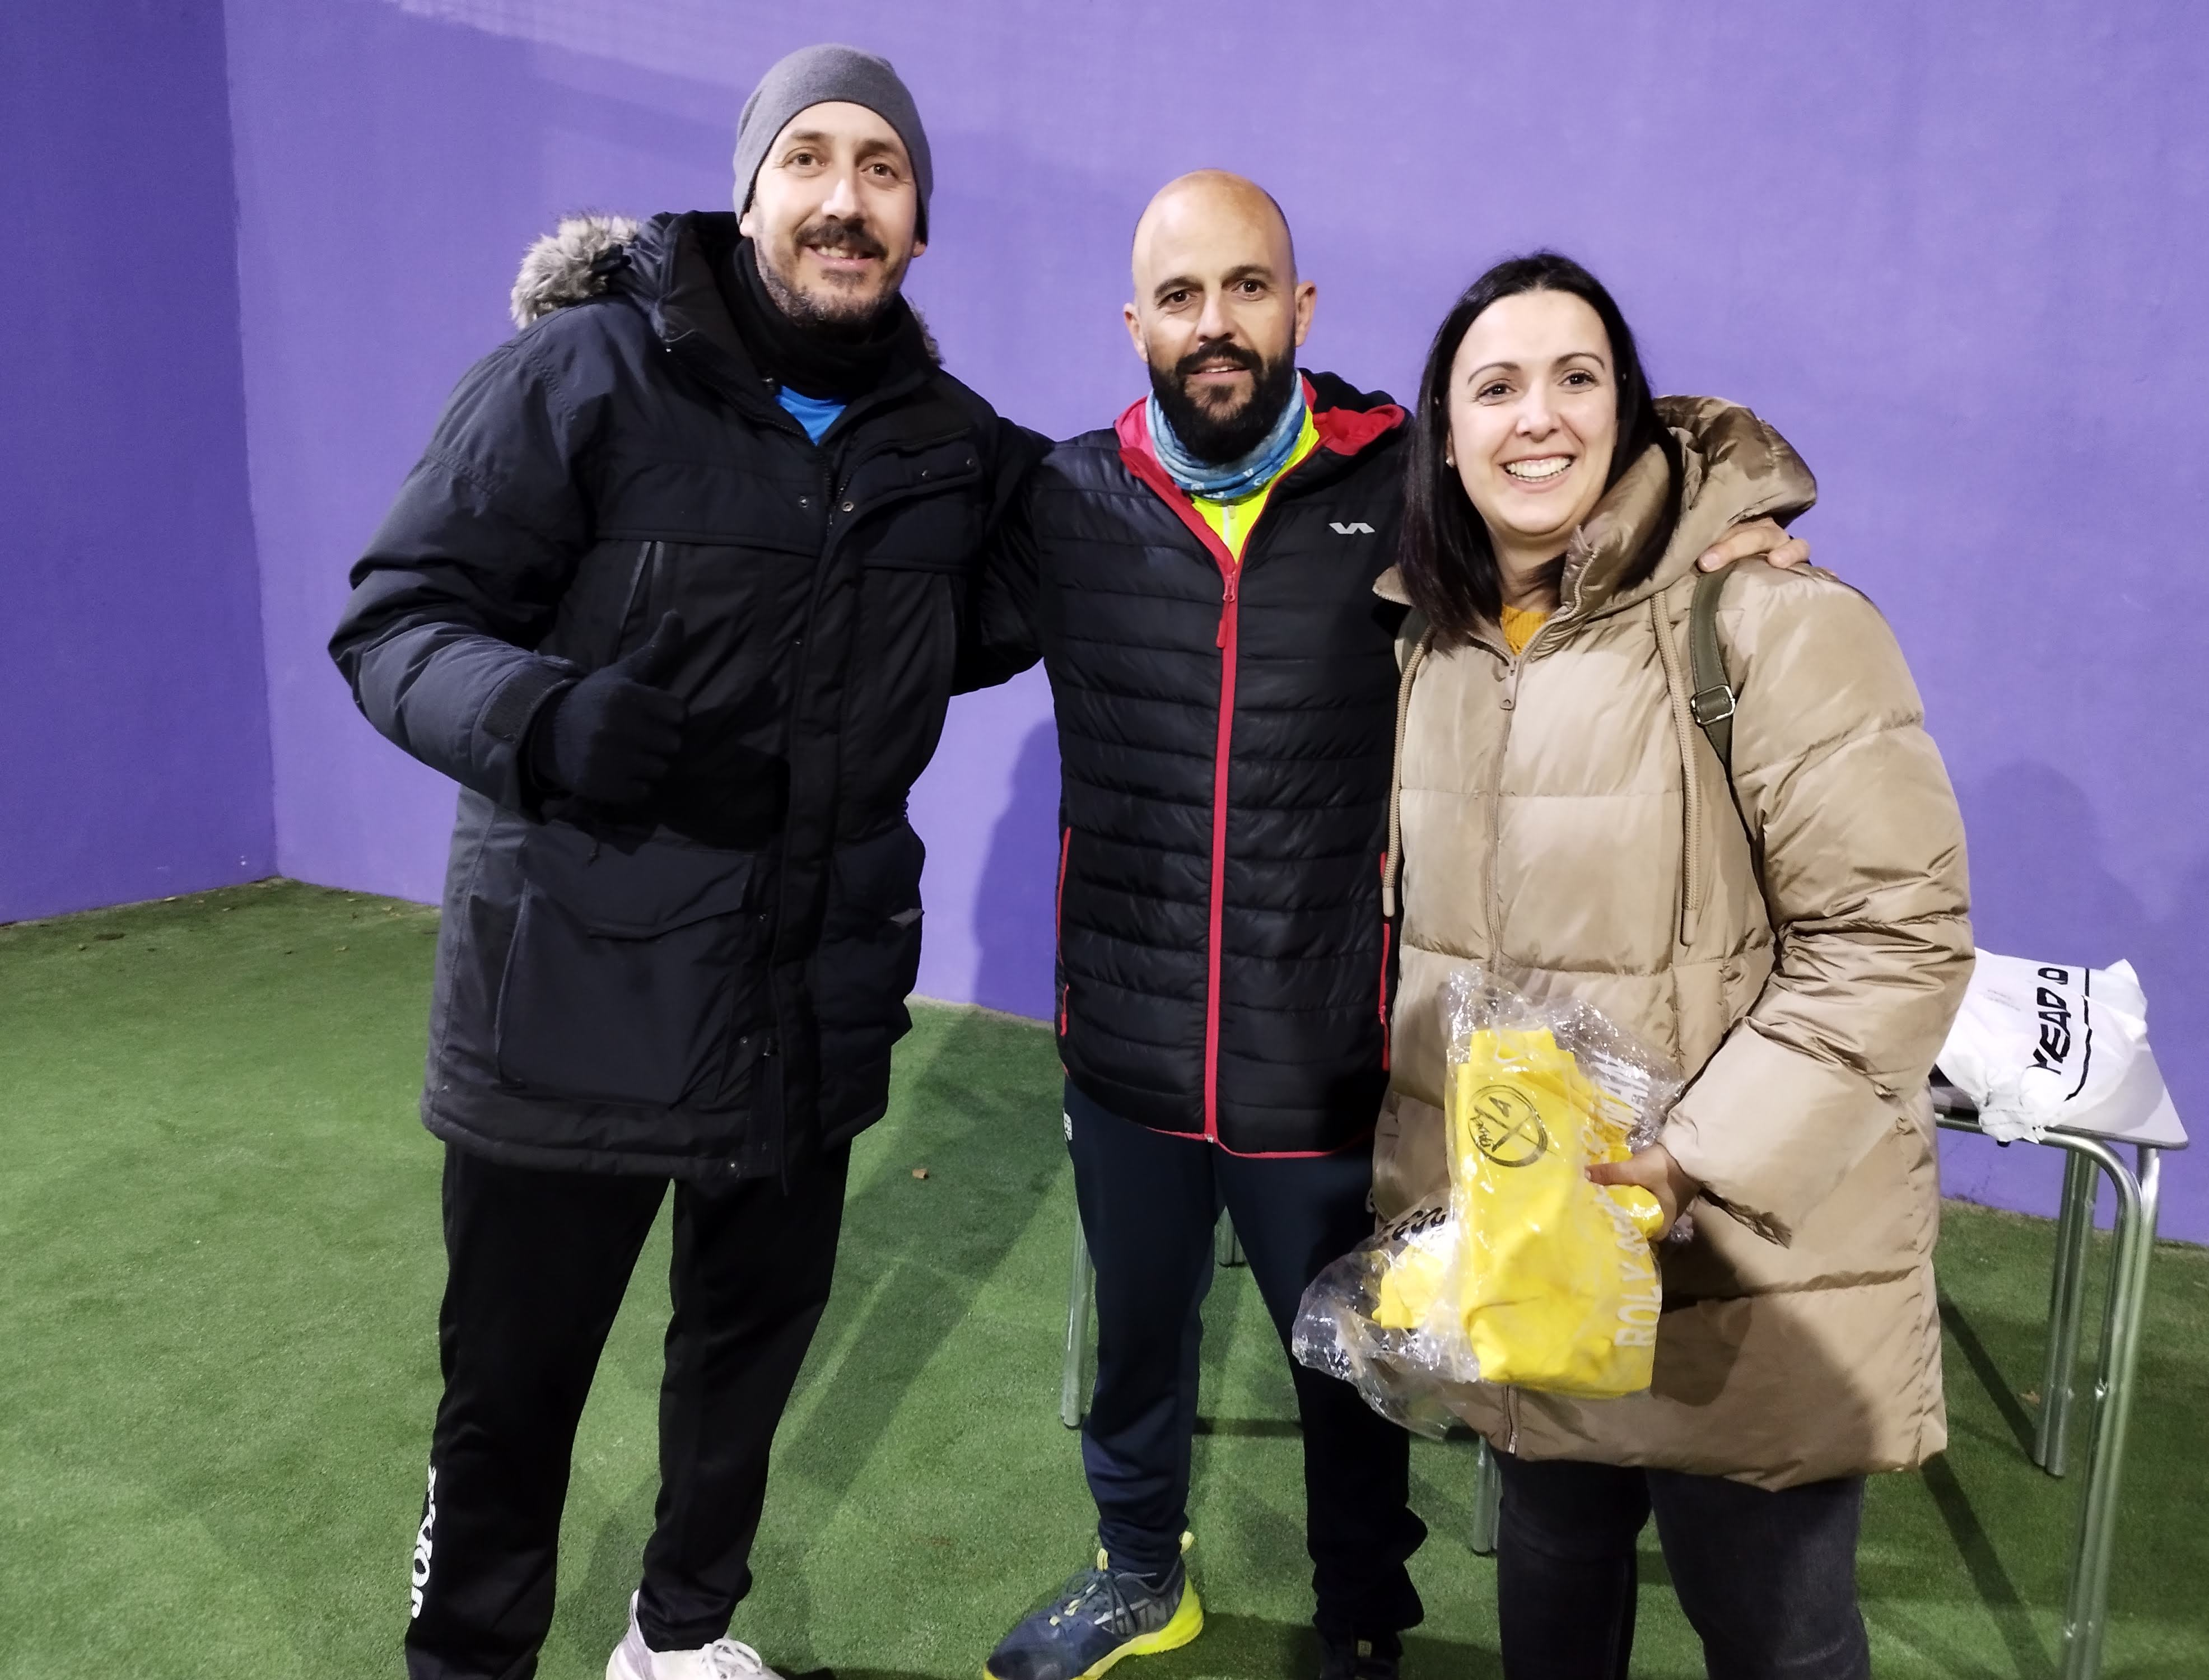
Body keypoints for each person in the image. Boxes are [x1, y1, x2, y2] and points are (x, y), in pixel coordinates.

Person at [963, 176, 1810, 1680]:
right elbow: (896, 599)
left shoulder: (1404, 483)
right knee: (1136, 1348)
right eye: (1179, 297)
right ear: (1134, 323)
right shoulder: (1068, 502)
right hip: (1132, 1045)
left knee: (1351, 1370)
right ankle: (1137, 1573)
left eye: (1246, 287)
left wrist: (1726, 534)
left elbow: (1586, 483)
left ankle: (1362, 1619)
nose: (1214, 324)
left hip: (1329, 1050)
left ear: (1299, 306)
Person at [330, 44, 1042, 1680]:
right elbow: (396, 623)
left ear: (919, 222)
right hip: (568, 1005)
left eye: (882, 169)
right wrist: (539, 714)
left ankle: (679, 1639)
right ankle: (470, 1659)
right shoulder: (580, 374)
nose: (845, 199)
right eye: (810, 159)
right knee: (510, 1398)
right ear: (749, 192)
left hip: (804, 999)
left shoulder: (948, 444)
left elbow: (1073, 552)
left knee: (741, 1367)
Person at [1372, 251, 1973, 1679]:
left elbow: (1893, 936)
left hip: (1735, 1258)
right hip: (1541, 1253)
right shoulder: (1438, 648)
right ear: (1444, 436)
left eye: (1574, 379)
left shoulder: (1767, 620)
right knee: (1551, 1585)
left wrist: (1692, 1163)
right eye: (1494, 387)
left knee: (1775, 1638)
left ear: (1627, 409)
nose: (1536, 417)